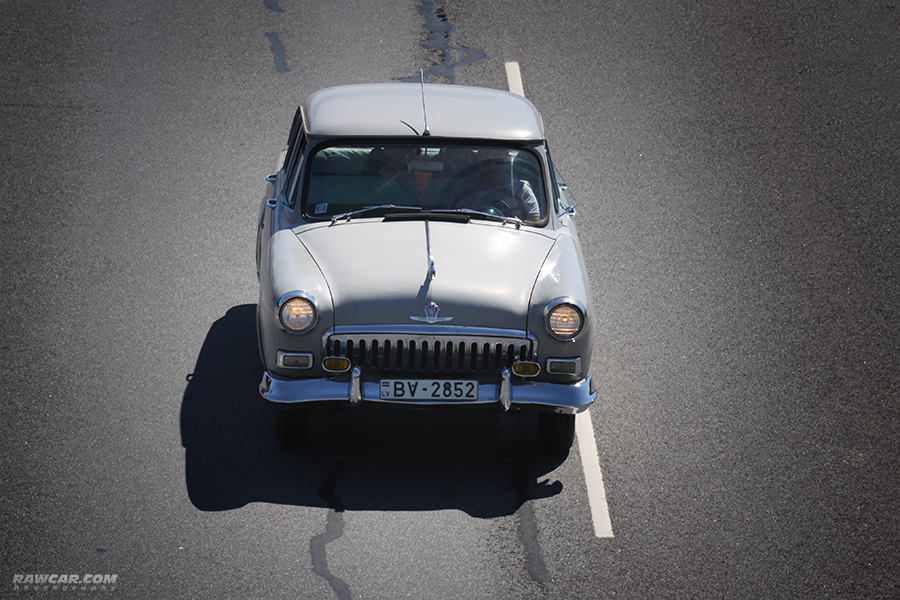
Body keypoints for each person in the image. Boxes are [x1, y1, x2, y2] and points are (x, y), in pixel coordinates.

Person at [449, 148, 542, 221]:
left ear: (507, 161)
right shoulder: (463, 187)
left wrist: (516, 222)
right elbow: (451, 219)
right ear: (478, 162)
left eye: (498, 162)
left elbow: (534, 223)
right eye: (486, 163)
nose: (492, 167)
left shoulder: (522, 191)